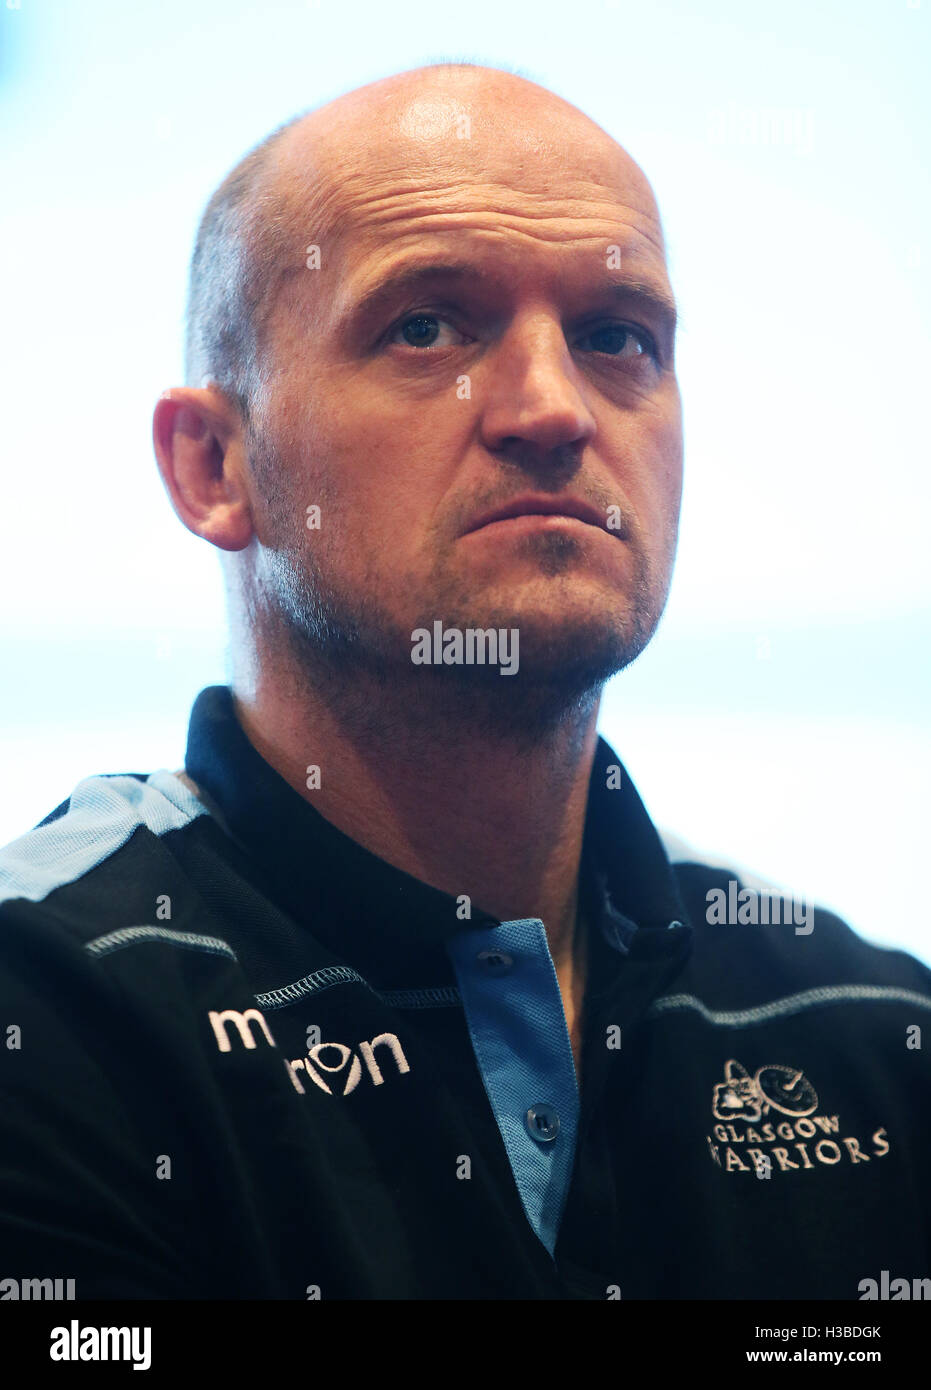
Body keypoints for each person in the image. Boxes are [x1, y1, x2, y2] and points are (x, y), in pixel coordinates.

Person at [1, 62, 928, 1302]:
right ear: (214, 464)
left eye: (616, 337)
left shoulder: (869, 1028)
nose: (551, 409)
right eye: (427, 326)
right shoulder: (55, 1009)